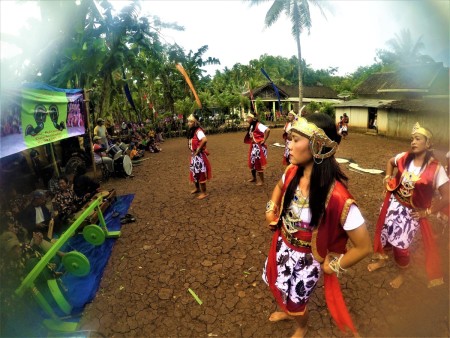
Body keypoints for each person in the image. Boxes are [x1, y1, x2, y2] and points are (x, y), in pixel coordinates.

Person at [262, 113, 372, 337]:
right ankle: (288, 310)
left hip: (307, 260)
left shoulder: (339, 198)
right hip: (281, 245)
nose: (289, 145)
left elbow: (364, 246)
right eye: (289, 139)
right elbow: (277, 190)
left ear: (317, 145)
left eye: (295, 140)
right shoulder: (292, 172)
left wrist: (335, 266)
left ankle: (301, 326)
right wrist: (270, 209)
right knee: (278, 286)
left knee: (297, 305)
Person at [368, 122, 449, 288]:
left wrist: (428, 212)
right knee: (385, 235)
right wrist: (387, 178)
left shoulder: (435, 169)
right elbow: (390, 163)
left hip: (411, 214)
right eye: (412, 139)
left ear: (428, 144)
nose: (413, 142)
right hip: (393, 205)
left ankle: (402, 273)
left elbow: (447, 195)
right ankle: (383, 259)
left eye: (418, 139)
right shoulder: (404, 157)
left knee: (401, 247)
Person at [187, 114, 211, 200]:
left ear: (194, 122)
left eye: (190, 121)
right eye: (188, 121)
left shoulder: (198, 131)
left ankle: (204, 192)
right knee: (194, 172)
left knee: (200, 173)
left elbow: (204, 140)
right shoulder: (193, 131)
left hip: (199, 156)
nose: (188, 123)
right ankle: (197, 188)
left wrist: (198, 150)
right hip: (194, 156)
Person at [244, 113, 270, 185]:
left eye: (248, 118)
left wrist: (264, 140)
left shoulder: (258, 125)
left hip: (259, 147)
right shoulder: (252, 125)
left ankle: (262, 181)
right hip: (253, 146)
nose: (247, 119)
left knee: (258, 162)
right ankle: (254, 178)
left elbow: (267, 130)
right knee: (252, 162)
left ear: (253, 119)